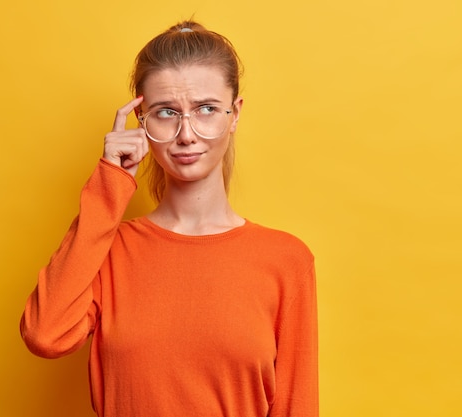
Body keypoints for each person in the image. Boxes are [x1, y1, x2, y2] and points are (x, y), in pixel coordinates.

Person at [20, 20, 318, 417]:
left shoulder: (286, 260)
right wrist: (110, 186)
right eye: (166, 112)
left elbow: (297, 407)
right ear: (141, 120)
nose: (186, 133)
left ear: (235, 113)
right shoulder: (108, 251)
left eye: (207, 109)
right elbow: (45, 334)